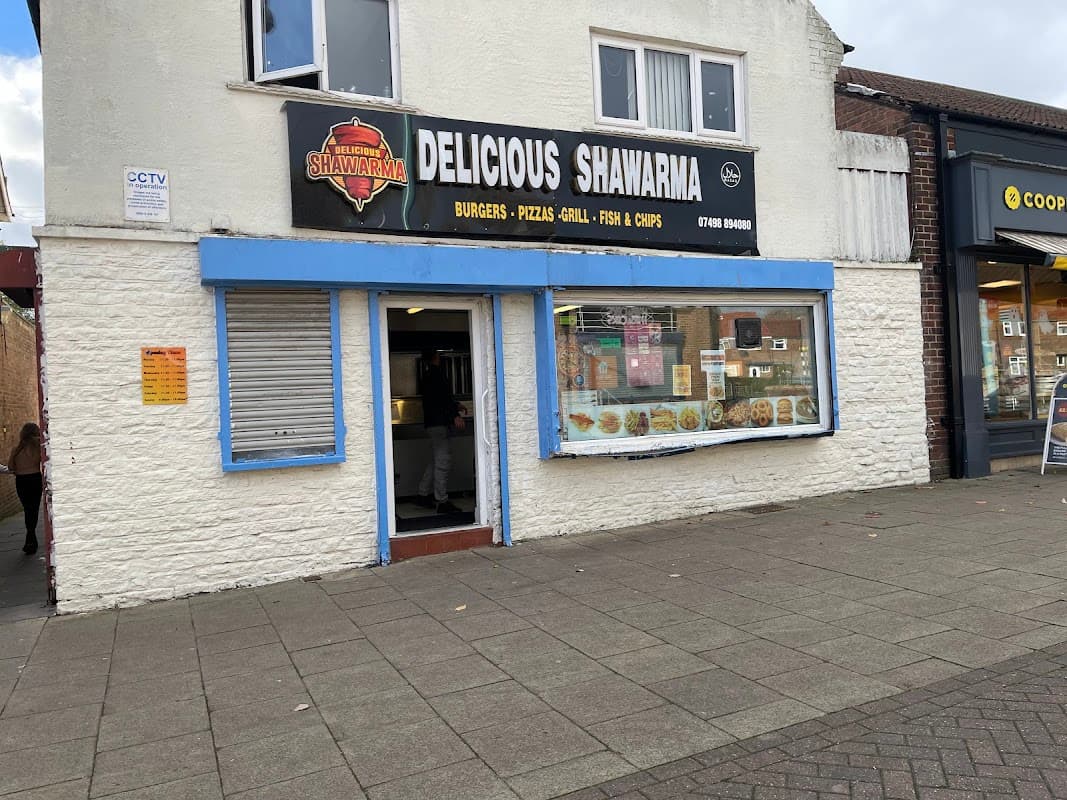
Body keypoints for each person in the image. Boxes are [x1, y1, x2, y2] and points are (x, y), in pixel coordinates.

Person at [416, 349, 466, 514]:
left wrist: (455, 406)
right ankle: (441, 501)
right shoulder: (438, 375)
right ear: (436, 357)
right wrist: (455, 415)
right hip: (440, 424)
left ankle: (423, 494)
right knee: (442, 462)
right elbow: (442, 399)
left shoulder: (427, 376)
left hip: (431, 423)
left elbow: (437, 399)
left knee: (435, 460)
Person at [0, 423, 43, 555]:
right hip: (35, 480)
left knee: (28, 509)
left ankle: (30, 539)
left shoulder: (16, 449)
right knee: (34, 509)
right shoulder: (38, 447)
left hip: (22, 482)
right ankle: (31, 537)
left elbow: (11, 467)